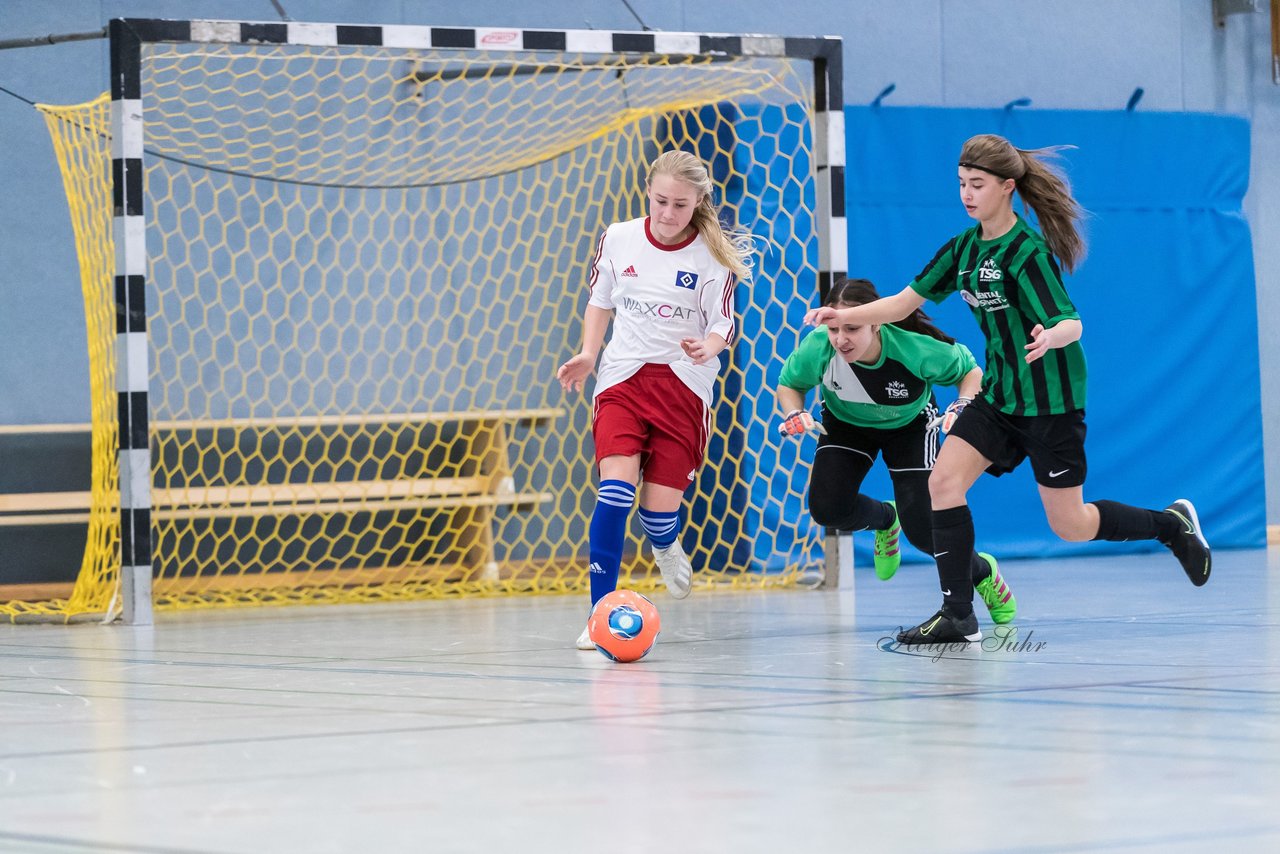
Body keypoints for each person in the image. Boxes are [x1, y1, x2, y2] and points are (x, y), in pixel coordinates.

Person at [805, 133, 1211, 645]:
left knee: (1072, 524)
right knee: (943, 483)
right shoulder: (962, 250)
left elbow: (1072, 323)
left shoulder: (1027, 253)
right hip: (999, 396)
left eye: (977, 184)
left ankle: (1171, 526)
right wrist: (844, 315)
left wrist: (1050, 335)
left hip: (1051, 403)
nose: (967, 194)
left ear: (1007, 188)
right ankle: (958, 615)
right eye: (961, 184)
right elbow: (900, 303)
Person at [557, 149, 754, 650]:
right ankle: (599, 611)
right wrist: (587, 353)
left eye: (680, 205)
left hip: (684, 387)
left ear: (699, 203)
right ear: (648, 191)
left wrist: (708, 345)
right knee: (614, 492)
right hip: (623, 379)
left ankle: (665, 543)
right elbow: (600, 299)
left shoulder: (711, 255)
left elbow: (723, 323)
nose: (668, 214)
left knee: (657, 513)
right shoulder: (619, 237)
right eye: (661, 201)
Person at [778, 276, 1015, 625]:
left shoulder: (914, 347)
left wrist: (963, 403)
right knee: (826, 509)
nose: (840, 339)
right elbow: (790, 384)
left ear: (876, 322)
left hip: (910, 427)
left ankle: (982, 573)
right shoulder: (819, 347)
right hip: (846, 424)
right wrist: (794, 412)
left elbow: (971, 372)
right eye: (833, 329)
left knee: (922, 530)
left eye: (852, 328)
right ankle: (886, 520)